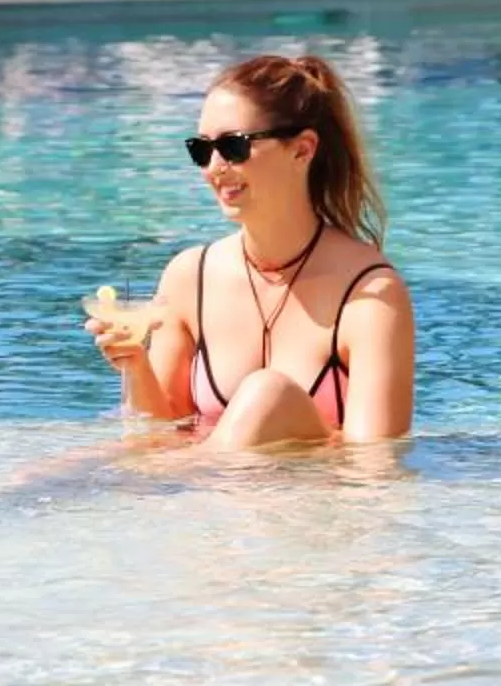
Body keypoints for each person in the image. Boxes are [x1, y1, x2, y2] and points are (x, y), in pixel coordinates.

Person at [88, 54, 416, 450]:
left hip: (306, 503)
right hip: (209, 498)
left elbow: (375, 465)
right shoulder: (189, 277)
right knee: (37, 479)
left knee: (267, 394)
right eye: (201, 149)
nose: (214, 167)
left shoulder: (371, 294)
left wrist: (267, 427)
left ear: (302, 150)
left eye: (233, 146)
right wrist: (135, 366)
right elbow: (158, 443)